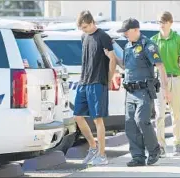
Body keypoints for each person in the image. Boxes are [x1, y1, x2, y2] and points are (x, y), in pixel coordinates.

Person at [115, 18, 171, 166]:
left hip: (144, 91)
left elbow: (160, 66)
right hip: (130, 92)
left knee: (142, 121)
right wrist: (113, 56)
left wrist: (166, 90)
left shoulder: (148, 45)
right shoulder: (128, 46)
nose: (125, 35)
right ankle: (138, 157)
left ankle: (154, 151)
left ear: (135, 30)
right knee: (130, 124)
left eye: (126, 32)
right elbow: (125, 66)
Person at [74, 10, 117, 165]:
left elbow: (112, 59)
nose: (83, 30)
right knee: (78, 116)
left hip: (98, 81)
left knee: (97, 119)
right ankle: (93, 147)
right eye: (81, 28)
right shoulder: (84, 36)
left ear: (92, 22)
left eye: (85, 27)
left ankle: (102, 155)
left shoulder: (103, 37)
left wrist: (109, 79)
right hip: (84, 81)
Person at [151, 11, 180, 157]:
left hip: (175, 78)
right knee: (160, 114)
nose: (162, 24)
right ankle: (160, 145)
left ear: (170, 22)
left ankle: (177, 144)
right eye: (159, 21)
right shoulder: (154, 40)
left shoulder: (178, 39)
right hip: (159, 80)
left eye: (164, 22)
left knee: (176, 113)